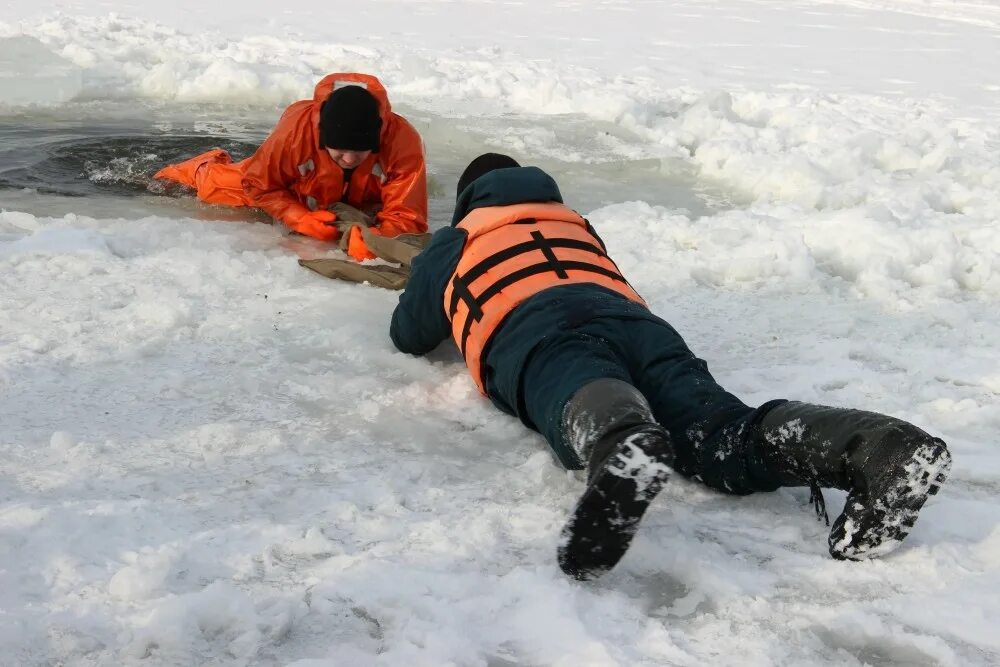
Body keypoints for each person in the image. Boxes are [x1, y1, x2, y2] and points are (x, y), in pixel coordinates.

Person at [389, 153, 952, 581]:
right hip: (637, 323)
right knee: (723, 434)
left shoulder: (458, 237)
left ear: (469, 200)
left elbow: (409, 334)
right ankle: (874, 446)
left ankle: (620, 439)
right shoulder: (573, 222)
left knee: (573, 384)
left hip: (533, 327)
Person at [154, 72, 427, 261]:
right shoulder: (294, 133)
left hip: (363, 194)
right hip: (297, 185)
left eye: (359, 152)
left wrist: (378, 239)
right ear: (323, 138)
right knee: (217, 188)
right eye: (340, 151)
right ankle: (182, 171)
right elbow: (260, 185)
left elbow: (408, 214)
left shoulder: (403, 141)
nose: (348, 159)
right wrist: (299, 217)